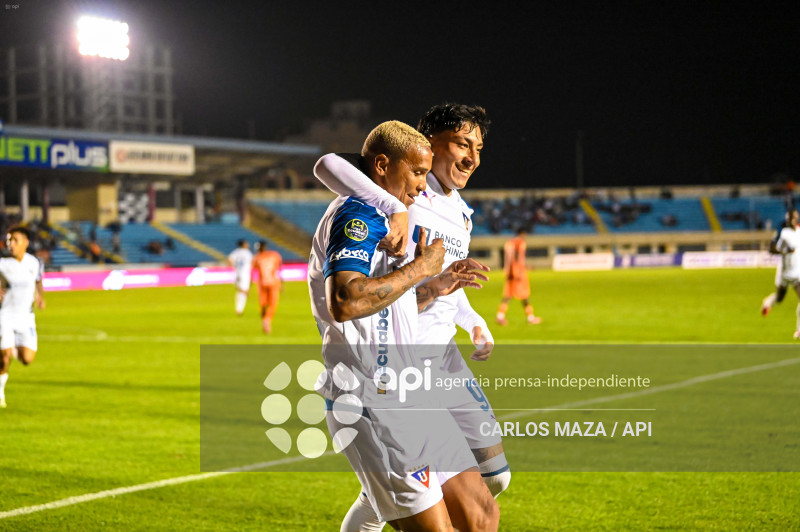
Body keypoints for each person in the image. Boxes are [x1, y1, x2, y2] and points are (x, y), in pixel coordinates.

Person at [314, 104, 508, 532]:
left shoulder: (402, 212)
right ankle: (379, 491)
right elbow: (345, 303)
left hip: (412, 390)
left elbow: (395, 304)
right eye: (417, 173)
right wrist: (423, 266)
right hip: (372, 396)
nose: (421, 188)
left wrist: (437, 288)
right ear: (383, 166)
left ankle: (377, 494)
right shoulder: (358, 214)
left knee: (482, 514)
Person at [0, 226, 46, 408]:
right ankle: (0, 393)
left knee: (27, 359)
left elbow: (37, 280)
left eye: (15, 240)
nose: (11, 244)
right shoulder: (2, 264)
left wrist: (40, 296)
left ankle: (12, 348)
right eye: (9, 240)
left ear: (25, 242)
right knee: (4, 358)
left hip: (26, 318)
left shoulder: (33, 262)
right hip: (5, 316)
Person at [496, 229, 542, 325]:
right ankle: (530, 318)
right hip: (518, 274)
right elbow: (517, 258)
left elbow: (507, 258)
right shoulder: (519, 243)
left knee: (508, 295)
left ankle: (500, 316)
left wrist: (508, 271)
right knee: (524, 295)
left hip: (509, 273)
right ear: (522, 234)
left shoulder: (509, 242)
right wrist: (517, 272)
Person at [252, 240, 282, 333]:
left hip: (263, 283)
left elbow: (253, 269)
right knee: (272, 304)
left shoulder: (257, 258)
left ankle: (264, 319)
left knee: (264, 304)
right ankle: (267, 319)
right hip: (272, 282)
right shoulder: (275, 255)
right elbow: (278, 269)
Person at [227, 239, 253, 316]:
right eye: (246, 243)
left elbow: (229, 260)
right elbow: (252, 263)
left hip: (237, 273)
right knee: (244, 291)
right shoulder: (247, 253)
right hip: (245, 274)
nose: (248, 244)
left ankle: (239, 309)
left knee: (240, 291)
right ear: (243, 244)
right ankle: (239, 309)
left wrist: (234, 267)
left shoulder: (235, 252)